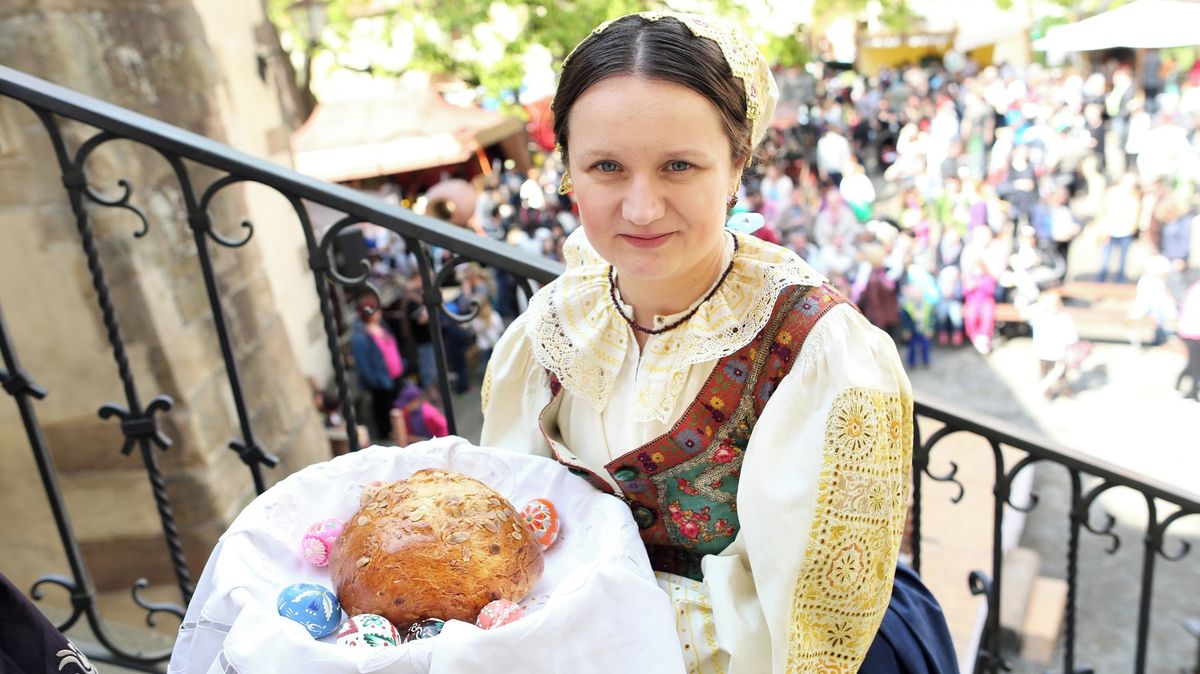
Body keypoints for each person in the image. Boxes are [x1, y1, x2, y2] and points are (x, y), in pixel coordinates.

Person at [480, 12, 956, 673]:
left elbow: (802, 632)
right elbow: (511, 519)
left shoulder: (814, 350)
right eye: (607, 167)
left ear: (736, 168)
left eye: (679, 165)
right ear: (568, 172)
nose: (642, 207)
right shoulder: (557, 325)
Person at [348, 294, 404, 440]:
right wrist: (377, 382)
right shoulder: (359, 337)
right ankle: (387, 435)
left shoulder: (381, 325)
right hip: (381, 382)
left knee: (397, 407)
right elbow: (363, 364)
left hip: (395, 375)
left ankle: (400, 432)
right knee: (383, 411)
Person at [389, 381, 448, 446]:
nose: (404, 407)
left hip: (433, 444)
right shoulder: (407, 412)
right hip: (419, 444)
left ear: (415, 401)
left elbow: (444, 429)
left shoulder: (429, 413)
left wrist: (439, 444)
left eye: (407, 404)